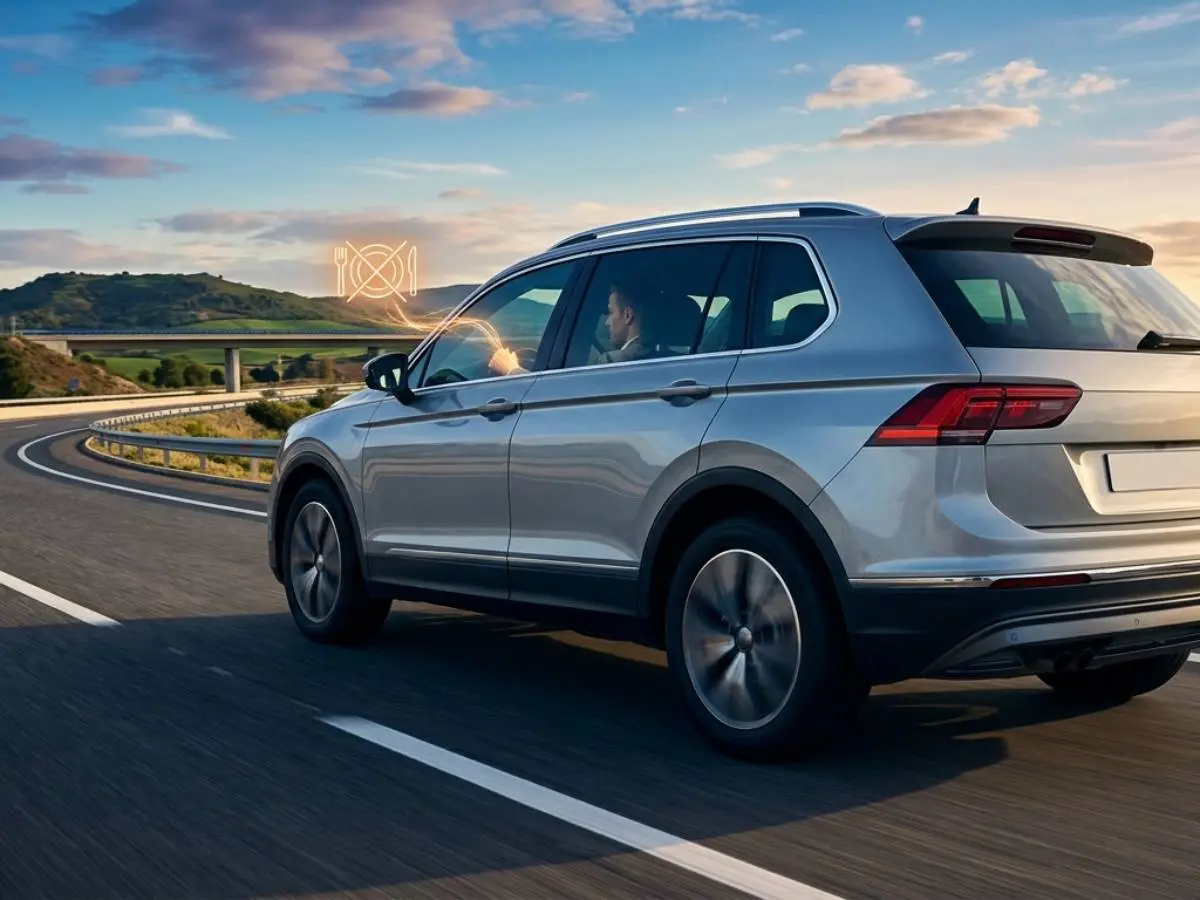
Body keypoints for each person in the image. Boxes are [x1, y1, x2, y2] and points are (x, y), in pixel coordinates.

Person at [487, 282, 651, 377]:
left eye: (610, 312)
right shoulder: (667, 355)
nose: (607, 322)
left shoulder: (611, 363)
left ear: (628, 315)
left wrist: (510, 369)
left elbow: (558, 395)